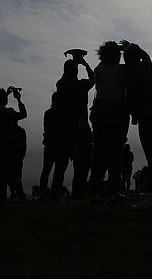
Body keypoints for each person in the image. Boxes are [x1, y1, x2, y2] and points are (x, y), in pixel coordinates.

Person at [121, 40, 152, 192]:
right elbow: (146, 55)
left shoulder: (130, 74)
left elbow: (131, 98)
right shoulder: (147, 67)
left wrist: (133, 115)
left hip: (148, 117)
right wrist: (132, 46)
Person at [88, 42, 130, 199]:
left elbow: (102, 63)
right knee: (116, 151)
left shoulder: (98, 70)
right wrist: (126, 49)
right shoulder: (123, 70)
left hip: (99, 111)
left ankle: (94, 190)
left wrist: (108, 52)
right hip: (117, 111)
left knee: (99, 151)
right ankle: (113, 189)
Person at [57, 51, 95, 199]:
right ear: (76, 71)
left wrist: (73, 63)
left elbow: (63, 78)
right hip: (80, 124)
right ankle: (79, 192)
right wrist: (84, 64)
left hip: (66, 126)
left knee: (62, 164)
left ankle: (56, 193)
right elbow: (93, 78)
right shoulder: (81, 85)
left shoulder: (61, 85)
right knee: (83, 161)